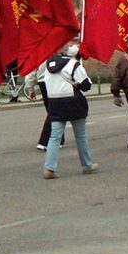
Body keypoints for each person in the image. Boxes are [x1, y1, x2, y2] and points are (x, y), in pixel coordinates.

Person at [40, 42, 97, 179]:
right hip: (73, 101)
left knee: (54, 136)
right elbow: (85, 86)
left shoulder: (49, 65)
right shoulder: (74, 65)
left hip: (54, 101)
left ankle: (49, 167)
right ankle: (87, 164)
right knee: (80, 135)